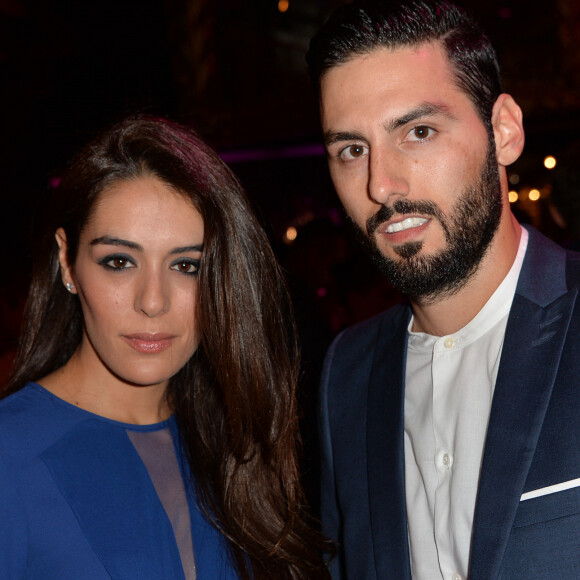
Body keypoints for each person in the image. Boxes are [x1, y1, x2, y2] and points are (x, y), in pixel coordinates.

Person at [306, 1, 580, 578]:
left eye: (418, 131)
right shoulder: (347, 374)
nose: (382, 185)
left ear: (503, 131)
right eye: (352, 150)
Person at [0, 116, 330, 579]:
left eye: (186, 266)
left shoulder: (240, 441)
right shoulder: (10, 456)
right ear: (67, 262)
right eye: (119, 261)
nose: (153, 302)